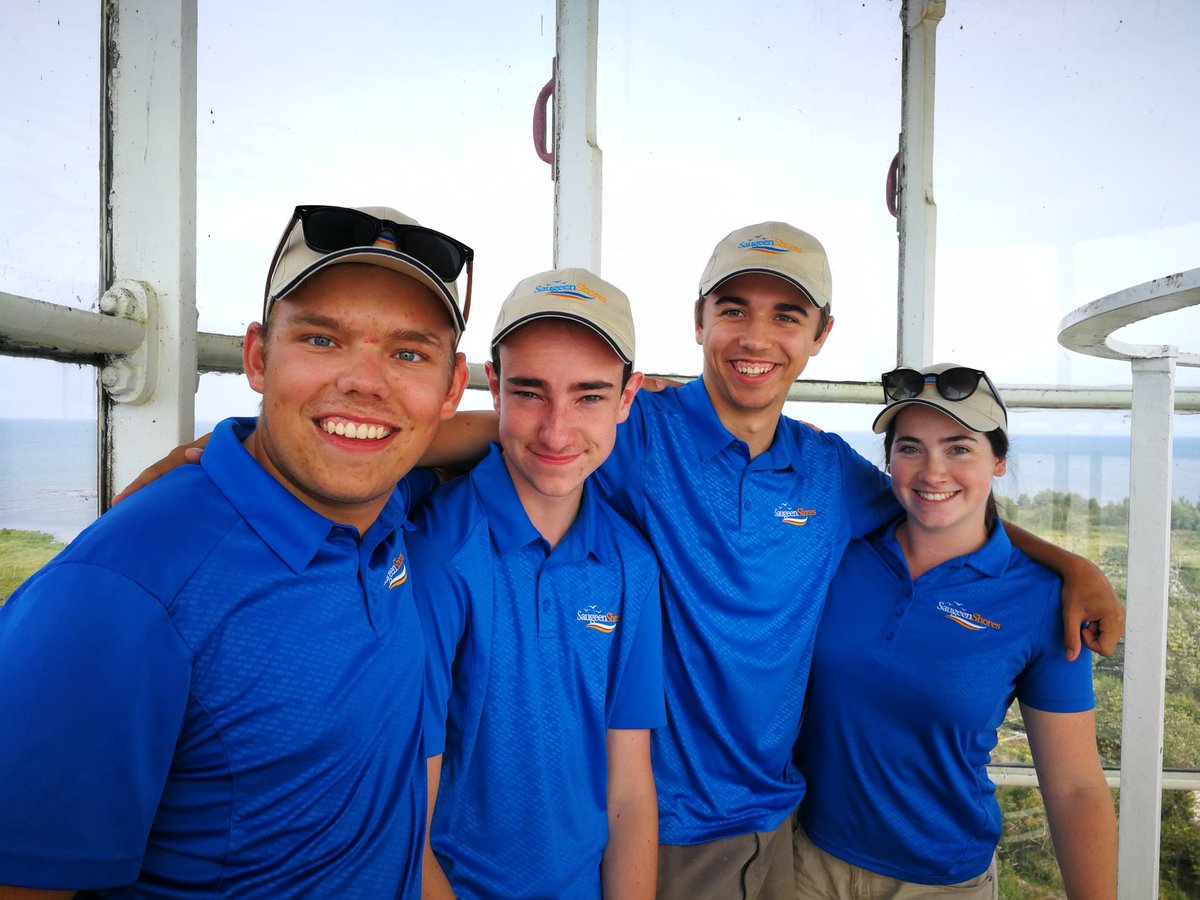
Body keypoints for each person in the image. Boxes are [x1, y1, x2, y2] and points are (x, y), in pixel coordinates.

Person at [113, 220, 1126, 900]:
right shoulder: (631, 429)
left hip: (786, 825)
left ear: (820, 335)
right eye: (734, 308)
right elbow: (468, 431)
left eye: (785, 314)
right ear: (699, 325)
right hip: (659, 835)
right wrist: (227, 456)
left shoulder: (832, 476)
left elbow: (941, 501)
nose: (755, 336)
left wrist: (1065, 566)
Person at [0, 204, 471, 896]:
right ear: (257, 357)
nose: (366, 383)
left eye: (408, 354)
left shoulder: (383, 509)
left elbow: (520, 438)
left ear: (452, 388)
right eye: (321, 340)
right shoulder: (120, 595)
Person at [794, 362, 1117, 899]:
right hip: (804, 861)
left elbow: (1076, 786)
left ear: (999, 462)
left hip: (940, 882)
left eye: (959, 448)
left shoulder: (1043, 601)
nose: (932, 471)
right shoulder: (838, 553)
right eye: (910, 447)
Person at [413, 268, 663, 899]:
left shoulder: (630, 564)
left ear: (628, 398)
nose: (556, 431)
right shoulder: (440, 553)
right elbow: (404, 815)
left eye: (589, 396)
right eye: (529, 393)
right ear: (492, 386)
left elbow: (629, 787)